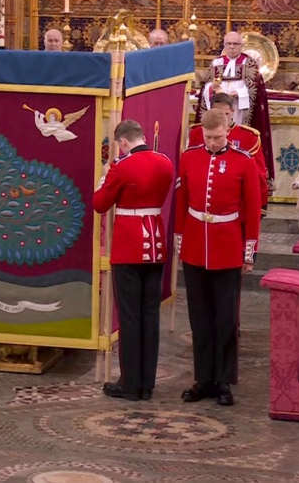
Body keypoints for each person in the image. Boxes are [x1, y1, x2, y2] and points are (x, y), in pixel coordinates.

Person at [175, 109, 262, 407]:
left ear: (228, 131)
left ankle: (224, 381)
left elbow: (252, 209)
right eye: (208, 137)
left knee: (225, 319)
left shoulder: (243, 161)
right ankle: (203, 378)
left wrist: (248, 251)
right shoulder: (189, 157)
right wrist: (180, 243)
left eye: (218, 137)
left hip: (227, 247)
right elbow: (181, 201)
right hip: (196, 245)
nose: (212, 143)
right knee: (199, 318)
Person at [92, 119, 174, 401]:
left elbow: (100, 203)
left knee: (129, 317)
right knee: (150, 316)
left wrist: (107, 175)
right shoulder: (165, 162)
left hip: (129, 247)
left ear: (123, 142)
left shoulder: (122, 166)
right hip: (156, 244)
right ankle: (147, 383)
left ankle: (130, 383)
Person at [196, 32, 274, 184]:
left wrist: (238, 93)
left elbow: (255, 89)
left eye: (235, 44)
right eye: (228, 44)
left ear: (241, 46)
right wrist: (213, 89)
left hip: (240, 110)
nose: (232, 47)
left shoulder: (250, 63)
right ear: (224, 45)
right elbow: (205, 88)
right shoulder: (216, 63)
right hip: (218, 108)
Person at [189, 92, 268, 215]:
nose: (221, 119)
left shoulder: (248, 137)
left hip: (235, 205)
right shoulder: (197, 133)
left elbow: (259, 173)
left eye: (225, 114)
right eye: (217, 113)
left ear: (233, 111)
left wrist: (260, 203)